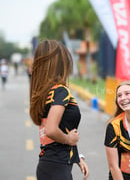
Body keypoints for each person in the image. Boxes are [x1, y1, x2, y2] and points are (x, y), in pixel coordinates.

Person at [29, 39, 89, 180]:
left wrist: (77, 157)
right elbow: (51, 130)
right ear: (60, 64)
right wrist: (68, 139)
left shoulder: (44, 92)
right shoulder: (61, 91)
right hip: (57, 167)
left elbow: (63, 128)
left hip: (49, 164)